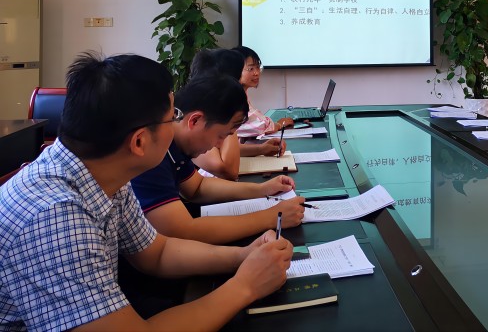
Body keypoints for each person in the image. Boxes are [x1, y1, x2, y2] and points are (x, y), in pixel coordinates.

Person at [0, 53, 293, 331]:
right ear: (139, 142)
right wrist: (245, 286)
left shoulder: (107, 174)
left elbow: (157, 253)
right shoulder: (55, 217)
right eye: (172, 116)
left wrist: (242, 256)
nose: (177, 125)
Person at [130, 74, 305, 244]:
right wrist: (271, 217)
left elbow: (197, 188)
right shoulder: (153, 154)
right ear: (195, 121)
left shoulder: (176, 147)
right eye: (221, 136)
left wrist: (262, 189)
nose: (218, 145)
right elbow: (184, 232)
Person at [190, 48, 290, 180]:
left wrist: (261, 149)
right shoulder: (200, 117)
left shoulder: (214, 110)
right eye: (236, 77)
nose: (238, 86)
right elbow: (229, 171)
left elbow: (225, 149)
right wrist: (230, 110)